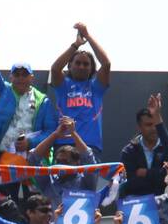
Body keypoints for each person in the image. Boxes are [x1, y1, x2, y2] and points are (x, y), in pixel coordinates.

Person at [35, 23, 112, 158]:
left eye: (86, 64)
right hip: (63, 144)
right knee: (62, 179)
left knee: (88, 180)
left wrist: (87, 35)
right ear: (69, 66)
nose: (81, 66)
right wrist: (75, 45)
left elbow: (106, 64)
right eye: (77, 63)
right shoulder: (63, 85)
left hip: (89, 145)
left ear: (92, 68)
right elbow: (55, 69)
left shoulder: (96, 87)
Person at [0, 23, 50, 163]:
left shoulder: (43, 100)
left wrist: (31, 143)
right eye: (17, 74)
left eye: (25, 74)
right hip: (5, 156)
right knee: (3, 186)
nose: (20, 78)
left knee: (32, 186)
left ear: (32, 77)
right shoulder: (4, 91)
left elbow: (50, 130)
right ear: (11, 77)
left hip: (31, 157)